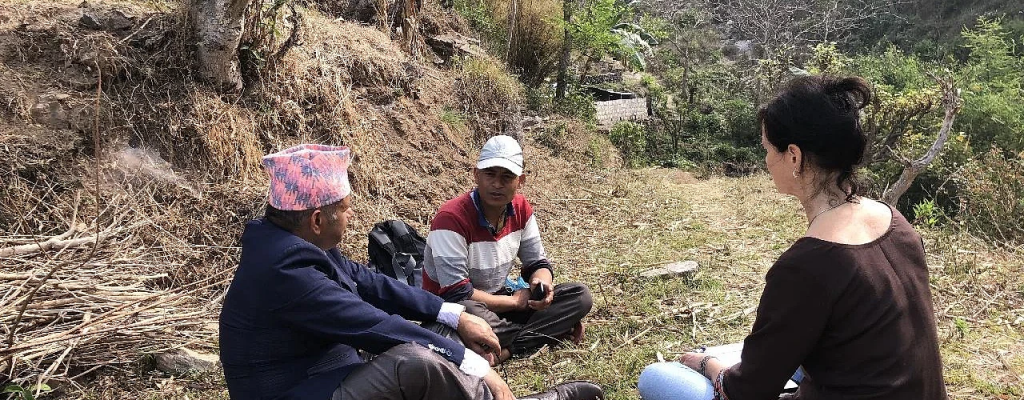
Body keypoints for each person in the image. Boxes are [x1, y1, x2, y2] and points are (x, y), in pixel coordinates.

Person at [637, 76, 947, 400]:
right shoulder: (896, 223)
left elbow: (745, 393)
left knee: (657, 377)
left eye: (768, 149)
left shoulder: (807, 266)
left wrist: (708, 365)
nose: (766, 161)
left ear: (794, 157)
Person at [218, 144, 605, 400]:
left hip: (333, 369)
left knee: (438, 334)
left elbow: (369, 282)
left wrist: (452, 316)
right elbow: (371, 324)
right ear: (317, 220)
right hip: (303, 390)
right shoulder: (285, 271)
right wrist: (470, 361)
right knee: (415, 360)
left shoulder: (296, 244)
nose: (351, 216)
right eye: (347, 208)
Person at [422, 135, 593, 362]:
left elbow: (537, 263)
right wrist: (516, 303)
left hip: (498, 303)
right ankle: (542, 334)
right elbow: (456, 292)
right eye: (490, 174)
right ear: (476, 175)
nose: (497, 184)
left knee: (580, 296)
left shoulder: (521, 209)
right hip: (458, 309)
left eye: (507, 176)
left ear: (520, 181)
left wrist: (542, 286)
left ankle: (507, 347)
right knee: (466, 310)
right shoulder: (451, 218)